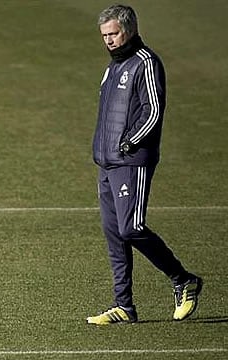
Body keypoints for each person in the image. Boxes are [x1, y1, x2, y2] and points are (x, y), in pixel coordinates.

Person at [87, 4, 202, 325]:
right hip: (107, 163)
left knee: (131, 227)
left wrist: (130, 142)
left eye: (113, 33)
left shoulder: (146, 63)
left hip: (131, 160)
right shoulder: (112, 67)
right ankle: (124, 305)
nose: (109, 40)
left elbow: (153, 110)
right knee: (115, 235)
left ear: (130, 29)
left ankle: (183, 279)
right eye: (105, 35)